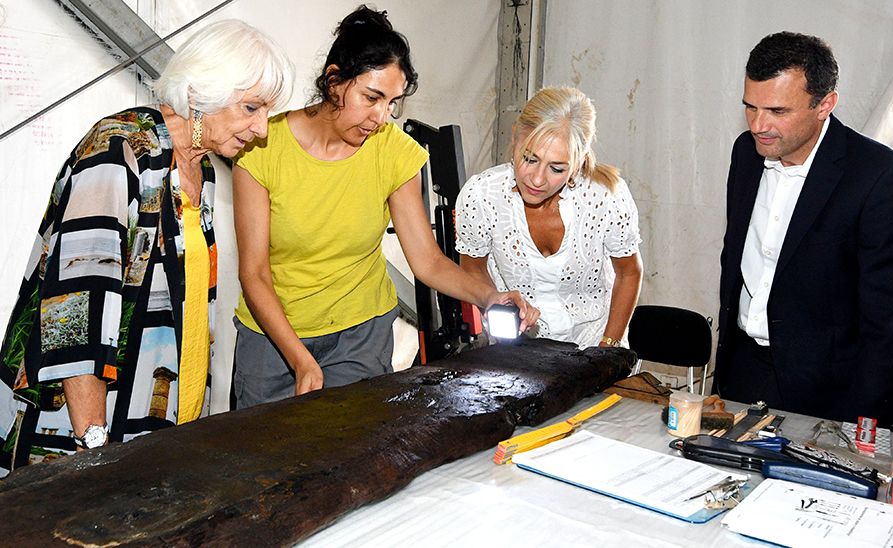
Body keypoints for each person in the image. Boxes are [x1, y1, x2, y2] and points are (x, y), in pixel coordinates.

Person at [0, 19, 293, 476]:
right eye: (251, 108)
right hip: (83, 437)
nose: (261, 130)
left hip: (157, 429)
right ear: (200, 94)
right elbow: (75, 311)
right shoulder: (120, 149)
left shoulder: (201, 174)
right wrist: (93, 445)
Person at [231, 5, 538, 409]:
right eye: (371, 97)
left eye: (392, 103)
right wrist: (301, 360)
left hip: (359, 338)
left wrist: (488, 296)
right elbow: (254, 274)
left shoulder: (393, 152)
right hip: (272, 338)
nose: (381, 117)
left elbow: (427, 261)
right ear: (334, 81)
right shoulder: (262, 147)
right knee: (261, 462)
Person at [716, 31, 893, 431]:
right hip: (742, 373)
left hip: (831, 397)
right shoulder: (746, 153)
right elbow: (738, 259)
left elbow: (892, 325)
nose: (759, 125)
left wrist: (866, 425)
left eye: (778, 111)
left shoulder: (882, 178)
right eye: (750, 107)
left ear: (824, 105)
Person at [455, 87, 643, 349]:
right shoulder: (481, 195)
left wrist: (608, 346)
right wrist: (500, 304)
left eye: (557, 168)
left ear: (579, 161)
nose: (537, 179)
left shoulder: (607, 196)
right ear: (515, 137)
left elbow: (629, 273)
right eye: (529, 158)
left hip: (594, 339)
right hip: (515, 344)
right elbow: (472, 267)